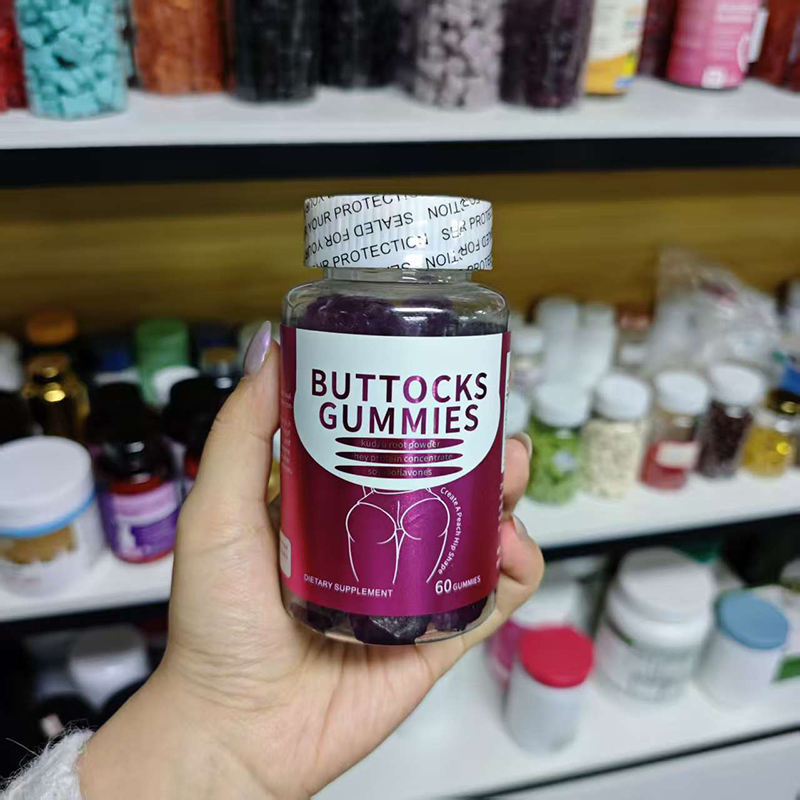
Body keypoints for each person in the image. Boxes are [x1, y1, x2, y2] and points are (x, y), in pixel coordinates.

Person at [5, 323, 543, 799]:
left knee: (460, 503)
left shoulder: (474, 318)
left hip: (418, 596)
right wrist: (214, 719)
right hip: (296, 628)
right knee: (373, 519)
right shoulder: (315, 315)